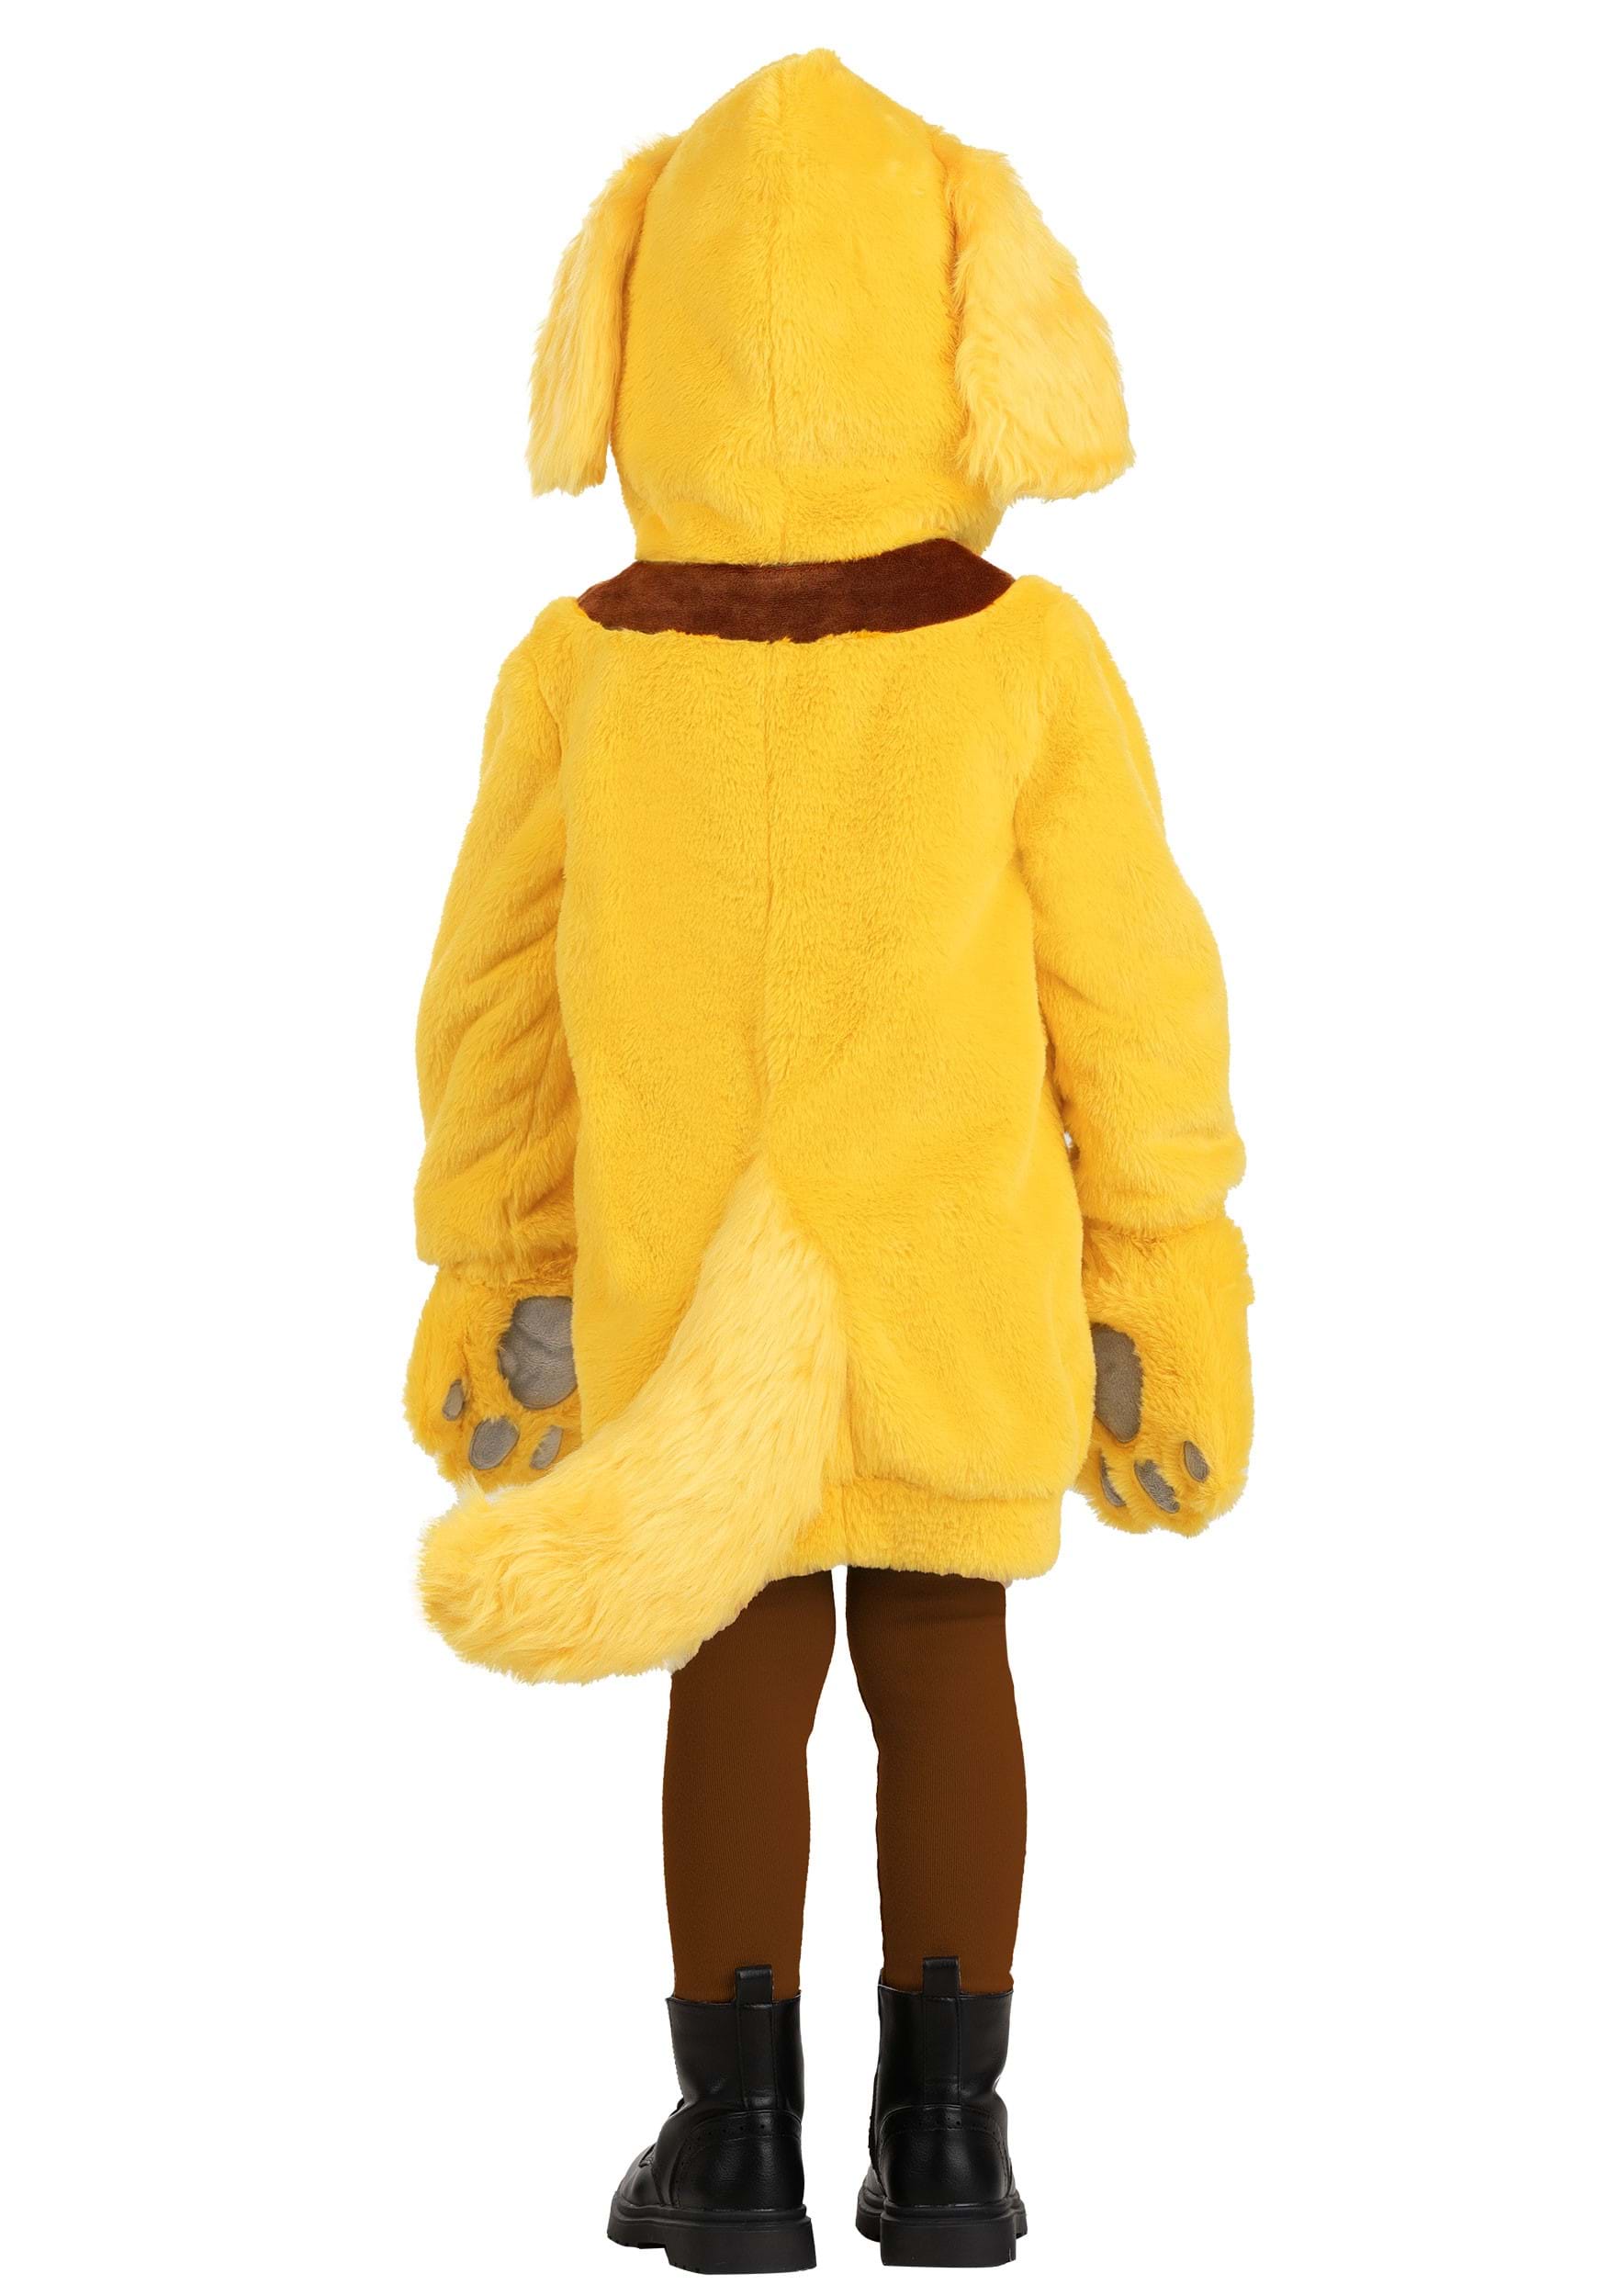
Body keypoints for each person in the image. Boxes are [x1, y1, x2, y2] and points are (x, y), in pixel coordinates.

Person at [405, 51, 1252, 2273]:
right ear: (965, 326)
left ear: (636, 326)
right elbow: (1134, 993)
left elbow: (490, 1010)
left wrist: (497, 1259)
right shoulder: (1023, 659)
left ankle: (733, 2144)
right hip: (953, 1266)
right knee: (947, 1653)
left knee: (737, 1653)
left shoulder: (580, 673)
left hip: (684, 1264)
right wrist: (1158, 1269)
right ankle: (949, 2145)